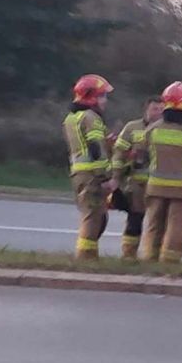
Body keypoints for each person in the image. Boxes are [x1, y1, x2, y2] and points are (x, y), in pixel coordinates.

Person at [135, 81, 182, 263]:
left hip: (155, 187)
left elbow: (139, 156)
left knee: (154, 224)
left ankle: (149, 258)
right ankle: (170, 261)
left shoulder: (152, 129)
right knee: (178, 226)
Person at [63, 74, 117, 259]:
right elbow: (96, 148)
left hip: (79, 174)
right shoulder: (92, 117)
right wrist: (105, 177)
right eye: (102, 96)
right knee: (93, 217)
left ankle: (88, 255)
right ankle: (86, 259)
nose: (105, 101)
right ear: (92, 97)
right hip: (92, 175)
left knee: (96, 216)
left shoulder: (71, 118)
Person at [110, 95, 164, 260]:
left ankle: (152, 256)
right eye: (155, 109)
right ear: (146, 109)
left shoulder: (167, 129)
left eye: (162, 110)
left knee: (157, 223)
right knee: (134, 218)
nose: (158, 113)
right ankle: (128, 254)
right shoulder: (132, 127)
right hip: (137, 183)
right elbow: (119, 154)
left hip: (159, 184)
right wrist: (115, 178)